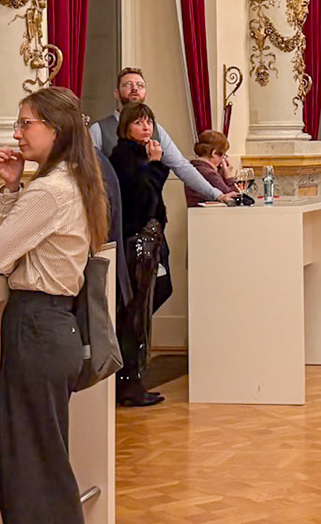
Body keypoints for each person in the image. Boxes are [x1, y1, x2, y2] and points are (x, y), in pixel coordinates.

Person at [0, 86, 109, 524]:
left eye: (26, 123)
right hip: (50, 327)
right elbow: (16, 246)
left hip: (36, 325)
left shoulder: (50, 191)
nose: (17, 133)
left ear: (55, 131)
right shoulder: (68, 183)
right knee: (38, 462)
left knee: (28, 464)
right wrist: (11, 190)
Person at [109, 102, 173, 407]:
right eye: (139, 122)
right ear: (126, 126)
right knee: (134, 313)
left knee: (142, 308)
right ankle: (129, 384)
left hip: (147, 239)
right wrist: (156, 164)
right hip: (137, 240)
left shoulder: (137, 154)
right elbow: (145, 197)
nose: (145, 127)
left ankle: (133, 380)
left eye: (149, 121)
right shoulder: (125, 155)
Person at [90, 67, 223, 204]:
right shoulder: (99, 129)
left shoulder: (155, 130)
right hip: (111, 211)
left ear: (145, 93)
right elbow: (89, 174)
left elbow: (181, 166)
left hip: (148, 212)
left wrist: (216, 194)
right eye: (128, 85)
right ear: (116, 93)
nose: (134, 88)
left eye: (140, 85)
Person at [186, 129, 240, 206]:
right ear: (214, 153)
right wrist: (229, 177)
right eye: (223, 155)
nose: (223, 159)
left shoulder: (195, 168)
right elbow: (235, 197)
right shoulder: (208, 173)